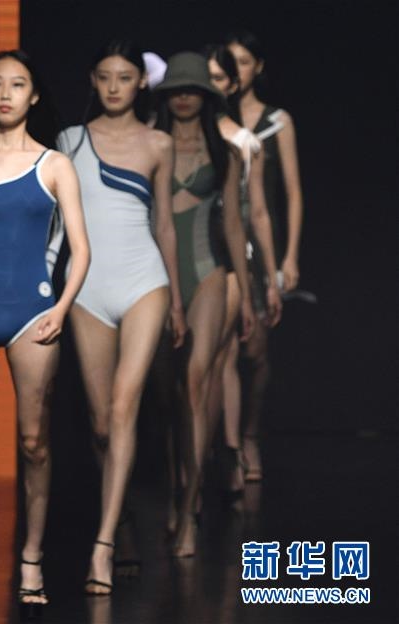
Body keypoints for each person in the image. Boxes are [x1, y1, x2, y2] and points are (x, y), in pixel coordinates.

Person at [0, 49, 90, 622]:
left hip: (35, 310)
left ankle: (31, 558)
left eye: (17, 84)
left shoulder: (55, 165)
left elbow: (80, 249)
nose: (5, 93)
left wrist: (63, 308)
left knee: (34, 442)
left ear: (34, 95)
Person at [55, 39, 186, 595]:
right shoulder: (69, 141)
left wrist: (175, 299)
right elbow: (56, 222)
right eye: (105, 76)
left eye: (125, 77)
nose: (114, 86)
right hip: (87, 288)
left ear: (141, 82)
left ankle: (104, 544)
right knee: (102, 425)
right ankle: (124, 515)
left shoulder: (159, 143)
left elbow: (165, 224)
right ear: (94, 80)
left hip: (144, 282)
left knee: (124, 406)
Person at [152, 52, 255, 557]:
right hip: (157, 275)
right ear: (167, 95)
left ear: (208, 96)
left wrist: (247, 296)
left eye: (193, 89)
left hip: (210, 272)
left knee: (194, 385)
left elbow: (234, 225)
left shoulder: (226, 152)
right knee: (170, 396)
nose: (185, 97)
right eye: (177, 89)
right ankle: (177, 490)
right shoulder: (151, 144)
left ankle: (191, 507)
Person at [226, 30, 305, 481]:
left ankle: (250, 433)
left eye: (243, 61)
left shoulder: (277, 122)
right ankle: (225, 448)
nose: (236, 71)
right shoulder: (213, 118)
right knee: (217, 353)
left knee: (255, 350)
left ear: (258, 67)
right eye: (229, 62)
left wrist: (289, 257)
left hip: (261, 246)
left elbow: (292, 193)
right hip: (219, 240)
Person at [204, 44, 282, 497]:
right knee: (193, 367)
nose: (211, 86)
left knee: (228, 356)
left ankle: (230, 450)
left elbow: (259, 212)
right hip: (186, 257)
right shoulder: (169, 136)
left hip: (234, 258)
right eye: (206, 77)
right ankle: (198, 460)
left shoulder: (246, 142)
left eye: (219, 78)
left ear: (232, 84)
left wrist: (271, 277)